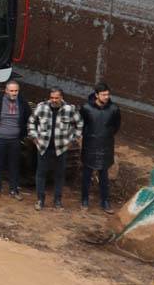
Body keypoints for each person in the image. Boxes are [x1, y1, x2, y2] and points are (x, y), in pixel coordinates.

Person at [28, 88, 83, 210]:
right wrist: (34, 137)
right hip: (43, 147)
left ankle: (57, 201)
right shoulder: (41, 107)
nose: (53, 100)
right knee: (41, 174)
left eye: (56, 98)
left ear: (61, 97)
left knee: (59, 175)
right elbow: (31, 121)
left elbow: (79, 124)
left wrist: (73, 140)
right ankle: (40, 200)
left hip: (61, 148)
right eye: (51, 98)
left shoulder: (69, 109)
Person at [79, 82, 121, 213]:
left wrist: (106, 136)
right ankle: (84, 200)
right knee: (87, 175)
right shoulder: (86, 108)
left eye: (108, 94)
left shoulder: (114, 109)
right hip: (90, 146)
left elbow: (116, 126)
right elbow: (81, 125)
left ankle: (105, 202)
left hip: (105, 146)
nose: (106, 97)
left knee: (104, 176)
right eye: (103, 94)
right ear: (96, 95)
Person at [0, 80, 31, 200]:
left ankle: (14, 189)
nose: (14, 93)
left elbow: (28, 115)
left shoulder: (21, 101)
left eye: (16, 91)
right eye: (11, 91)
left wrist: (22, 135)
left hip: (15, 140)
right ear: (6, 91)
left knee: (14, 165)